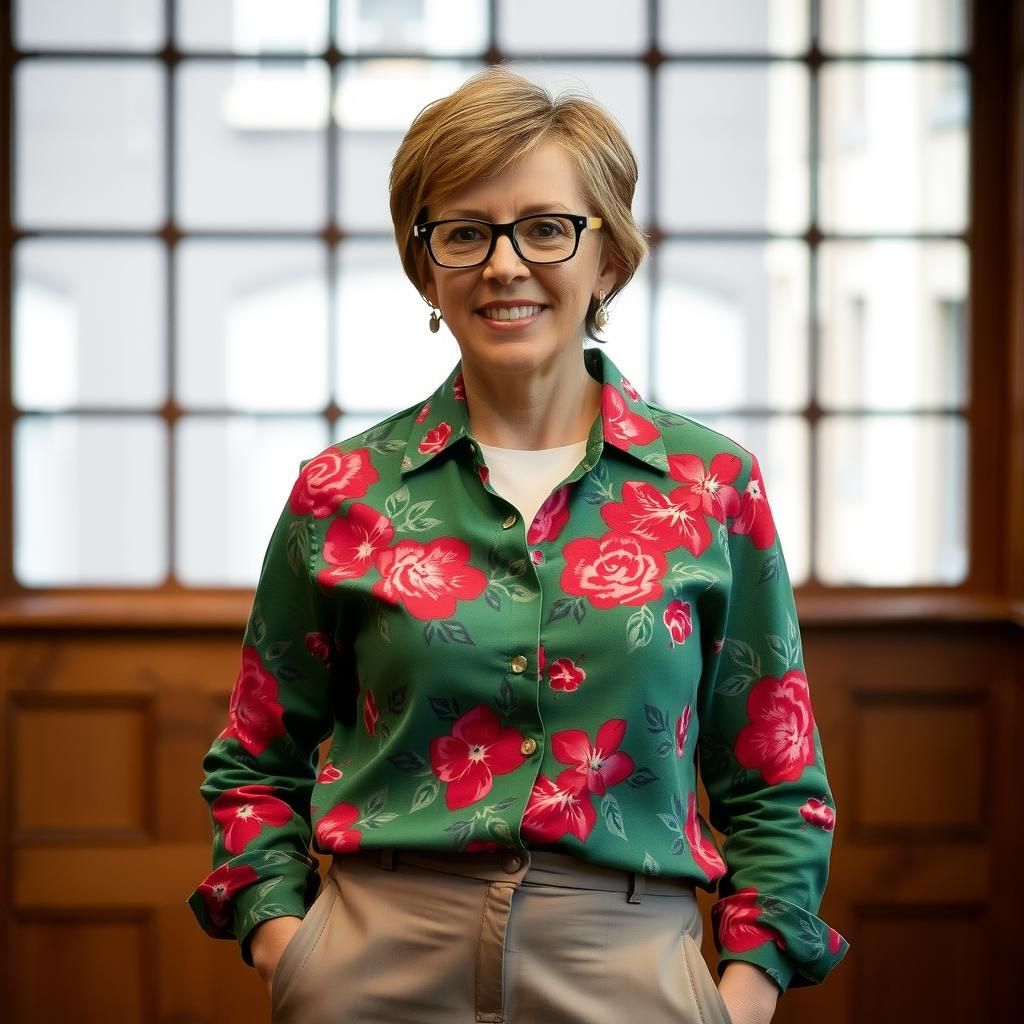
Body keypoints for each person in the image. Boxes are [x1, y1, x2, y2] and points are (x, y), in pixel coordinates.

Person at [187, 65, 848, 1024]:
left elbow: (777, 776)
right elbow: (254, 759)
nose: (505, 264)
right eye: (464, 232)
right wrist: (289, 950)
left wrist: (741, 997)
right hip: (374, 967)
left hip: (631, 967)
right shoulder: (341, 492)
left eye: (547, 227)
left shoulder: (714, 488)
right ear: (427, 268)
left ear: (607, 258)